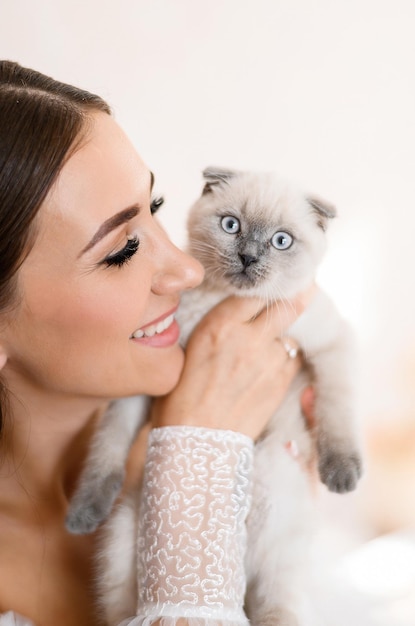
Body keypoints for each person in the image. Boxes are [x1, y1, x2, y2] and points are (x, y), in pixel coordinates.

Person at [0, 61, 313, 626]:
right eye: (120, 251)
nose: (188, 270)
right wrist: (198, 462)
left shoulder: (262, 440)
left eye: (156, 209)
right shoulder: (210, 446)